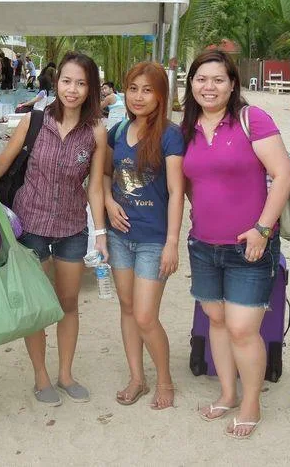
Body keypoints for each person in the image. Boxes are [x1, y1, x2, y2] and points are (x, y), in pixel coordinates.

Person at [181, 50, 290, 439]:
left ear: (232, 84)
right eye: (200, 79)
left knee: (243, 329)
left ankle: (251, 403)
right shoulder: (188, 128)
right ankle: (228, 393)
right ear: (190, 83)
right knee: (216, 320)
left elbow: (283, 175)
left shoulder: (252, 119)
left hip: (251, 245)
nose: (208, 87)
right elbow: (196, 184)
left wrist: (262, 229)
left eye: (217, 79)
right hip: (203, 245)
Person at [0, 51, 108, 406]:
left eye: (81, 83)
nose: (72, 89)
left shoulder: (96, 132)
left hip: (72, 227)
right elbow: (1, 165)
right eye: (67, 81)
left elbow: (96, 186)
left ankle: (66, 374)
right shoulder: (34, 122)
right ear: (56, 83)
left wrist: (100, 233)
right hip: (32, 225)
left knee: (68, 302)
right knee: (39, 305)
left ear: (91, 89)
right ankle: (41, 376)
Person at [104, 61, 185, 410]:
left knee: (145, 316)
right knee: (126, 308)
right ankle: (137, 377)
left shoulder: (170, 134)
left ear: (160, 95)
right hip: (120, 234)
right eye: (133, 88)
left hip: (154, 239)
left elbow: (176, 191)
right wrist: (107, 202)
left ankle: (164, 379)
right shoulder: (118, 130)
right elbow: (105, 175)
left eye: (147, 89)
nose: (139, 96)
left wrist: (171, 243)